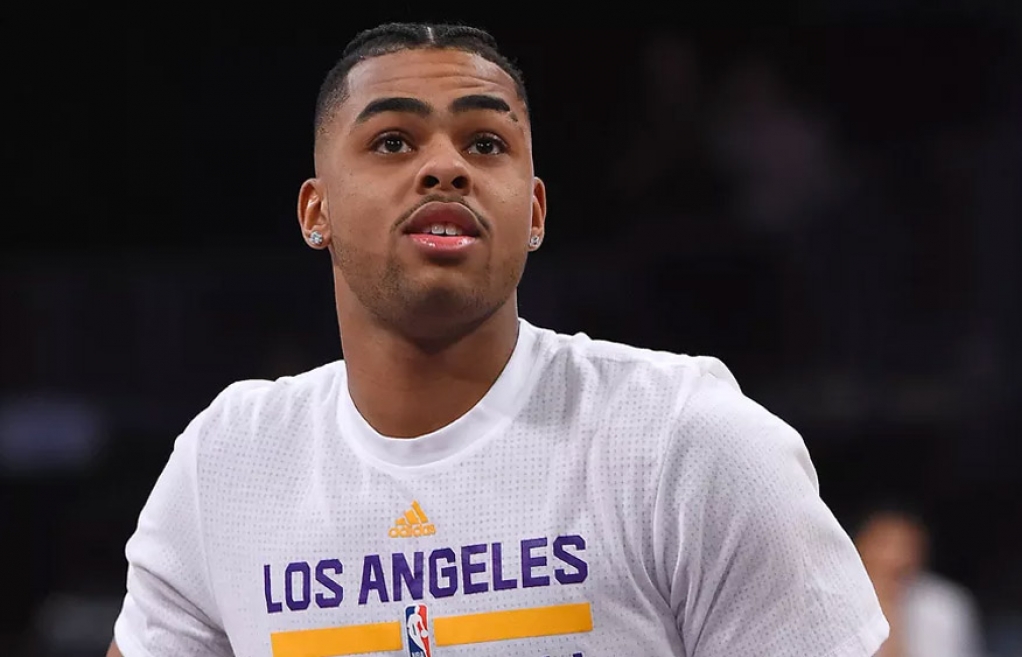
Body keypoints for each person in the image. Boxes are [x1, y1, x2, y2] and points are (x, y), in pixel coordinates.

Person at [106, 22, 888, 657]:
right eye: (393, 142)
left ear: (534, 212)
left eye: (485, 143)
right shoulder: (226, 465)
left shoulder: (686, 441)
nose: (446, 167)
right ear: (317, 213)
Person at [853, 504, 983, 657]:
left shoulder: (944, 604)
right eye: (883, 544)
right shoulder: (837, 600)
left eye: (905, 546)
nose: (894, 557)